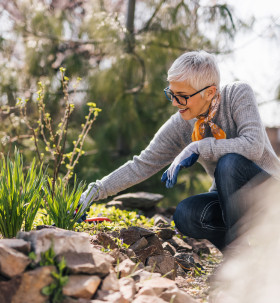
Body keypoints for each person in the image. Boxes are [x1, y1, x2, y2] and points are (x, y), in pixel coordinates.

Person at [78, 50, 280, 251]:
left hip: (270, 196)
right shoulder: (181, 124)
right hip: (232, 207)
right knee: (186, 214)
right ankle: (242, 261)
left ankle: (242, 256)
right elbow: (141, 164)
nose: (175, 103)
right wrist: (96, 190)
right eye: (171, 94)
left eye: (182, 96)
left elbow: (253, 146)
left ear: (209, 92)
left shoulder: (238, 94)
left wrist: (199, 146)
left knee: (230, 162)